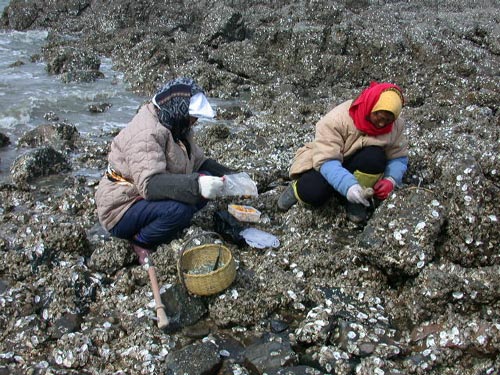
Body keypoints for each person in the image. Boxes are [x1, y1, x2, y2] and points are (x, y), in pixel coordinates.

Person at [95, 77, 234, 262]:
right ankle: (141, 241)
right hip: (121, 207)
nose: (196, 121)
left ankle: (163, 224)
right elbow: (150, 184)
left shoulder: (176, 125)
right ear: (179, 109)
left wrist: (233, 176)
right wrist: (197, 185)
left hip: (142, 198)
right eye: (194, 117)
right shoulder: (146, 132)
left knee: (206, 180)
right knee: (180, 209)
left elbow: (198, 161)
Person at [277, 81, 408, 224]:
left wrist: (391, 180)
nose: (382, 124)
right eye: (379, 117)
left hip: (358, 162)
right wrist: (348, 186)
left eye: (388, 120)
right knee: (313, 192)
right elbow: (326, 161)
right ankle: (296, 189)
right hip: (326, 162)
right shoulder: (337, 119)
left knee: (375, 157)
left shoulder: (395, 126)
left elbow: (398, 157)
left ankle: (357, 198)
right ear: (371, 107)